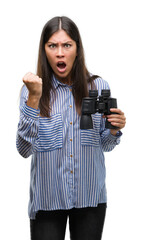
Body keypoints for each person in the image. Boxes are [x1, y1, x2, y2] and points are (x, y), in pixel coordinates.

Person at [16, 16, 126, 240]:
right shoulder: (31, 91)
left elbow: (104, 145)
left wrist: (114, 130)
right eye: (52, 45)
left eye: (67, 45)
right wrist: (34, 100)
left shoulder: (98, 86)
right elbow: (24, 149)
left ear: (77, 48)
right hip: (48, 200)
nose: (59, 53)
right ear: (44, 50)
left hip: (90, 198)